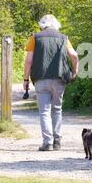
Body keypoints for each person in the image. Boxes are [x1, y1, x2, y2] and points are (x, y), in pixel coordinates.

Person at [23, 14, 79, 151]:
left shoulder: (35, 37)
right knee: (57, 109)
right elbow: (74, 55)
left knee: (44, 111)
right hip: (60, 78)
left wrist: (25, 79)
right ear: (56, 25)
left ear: (42, 25)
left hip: (41, 78)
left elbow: (29, 61)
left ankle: (47, 142)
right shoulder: (63, 38)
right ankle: (57, 141)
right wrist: (74, 71)